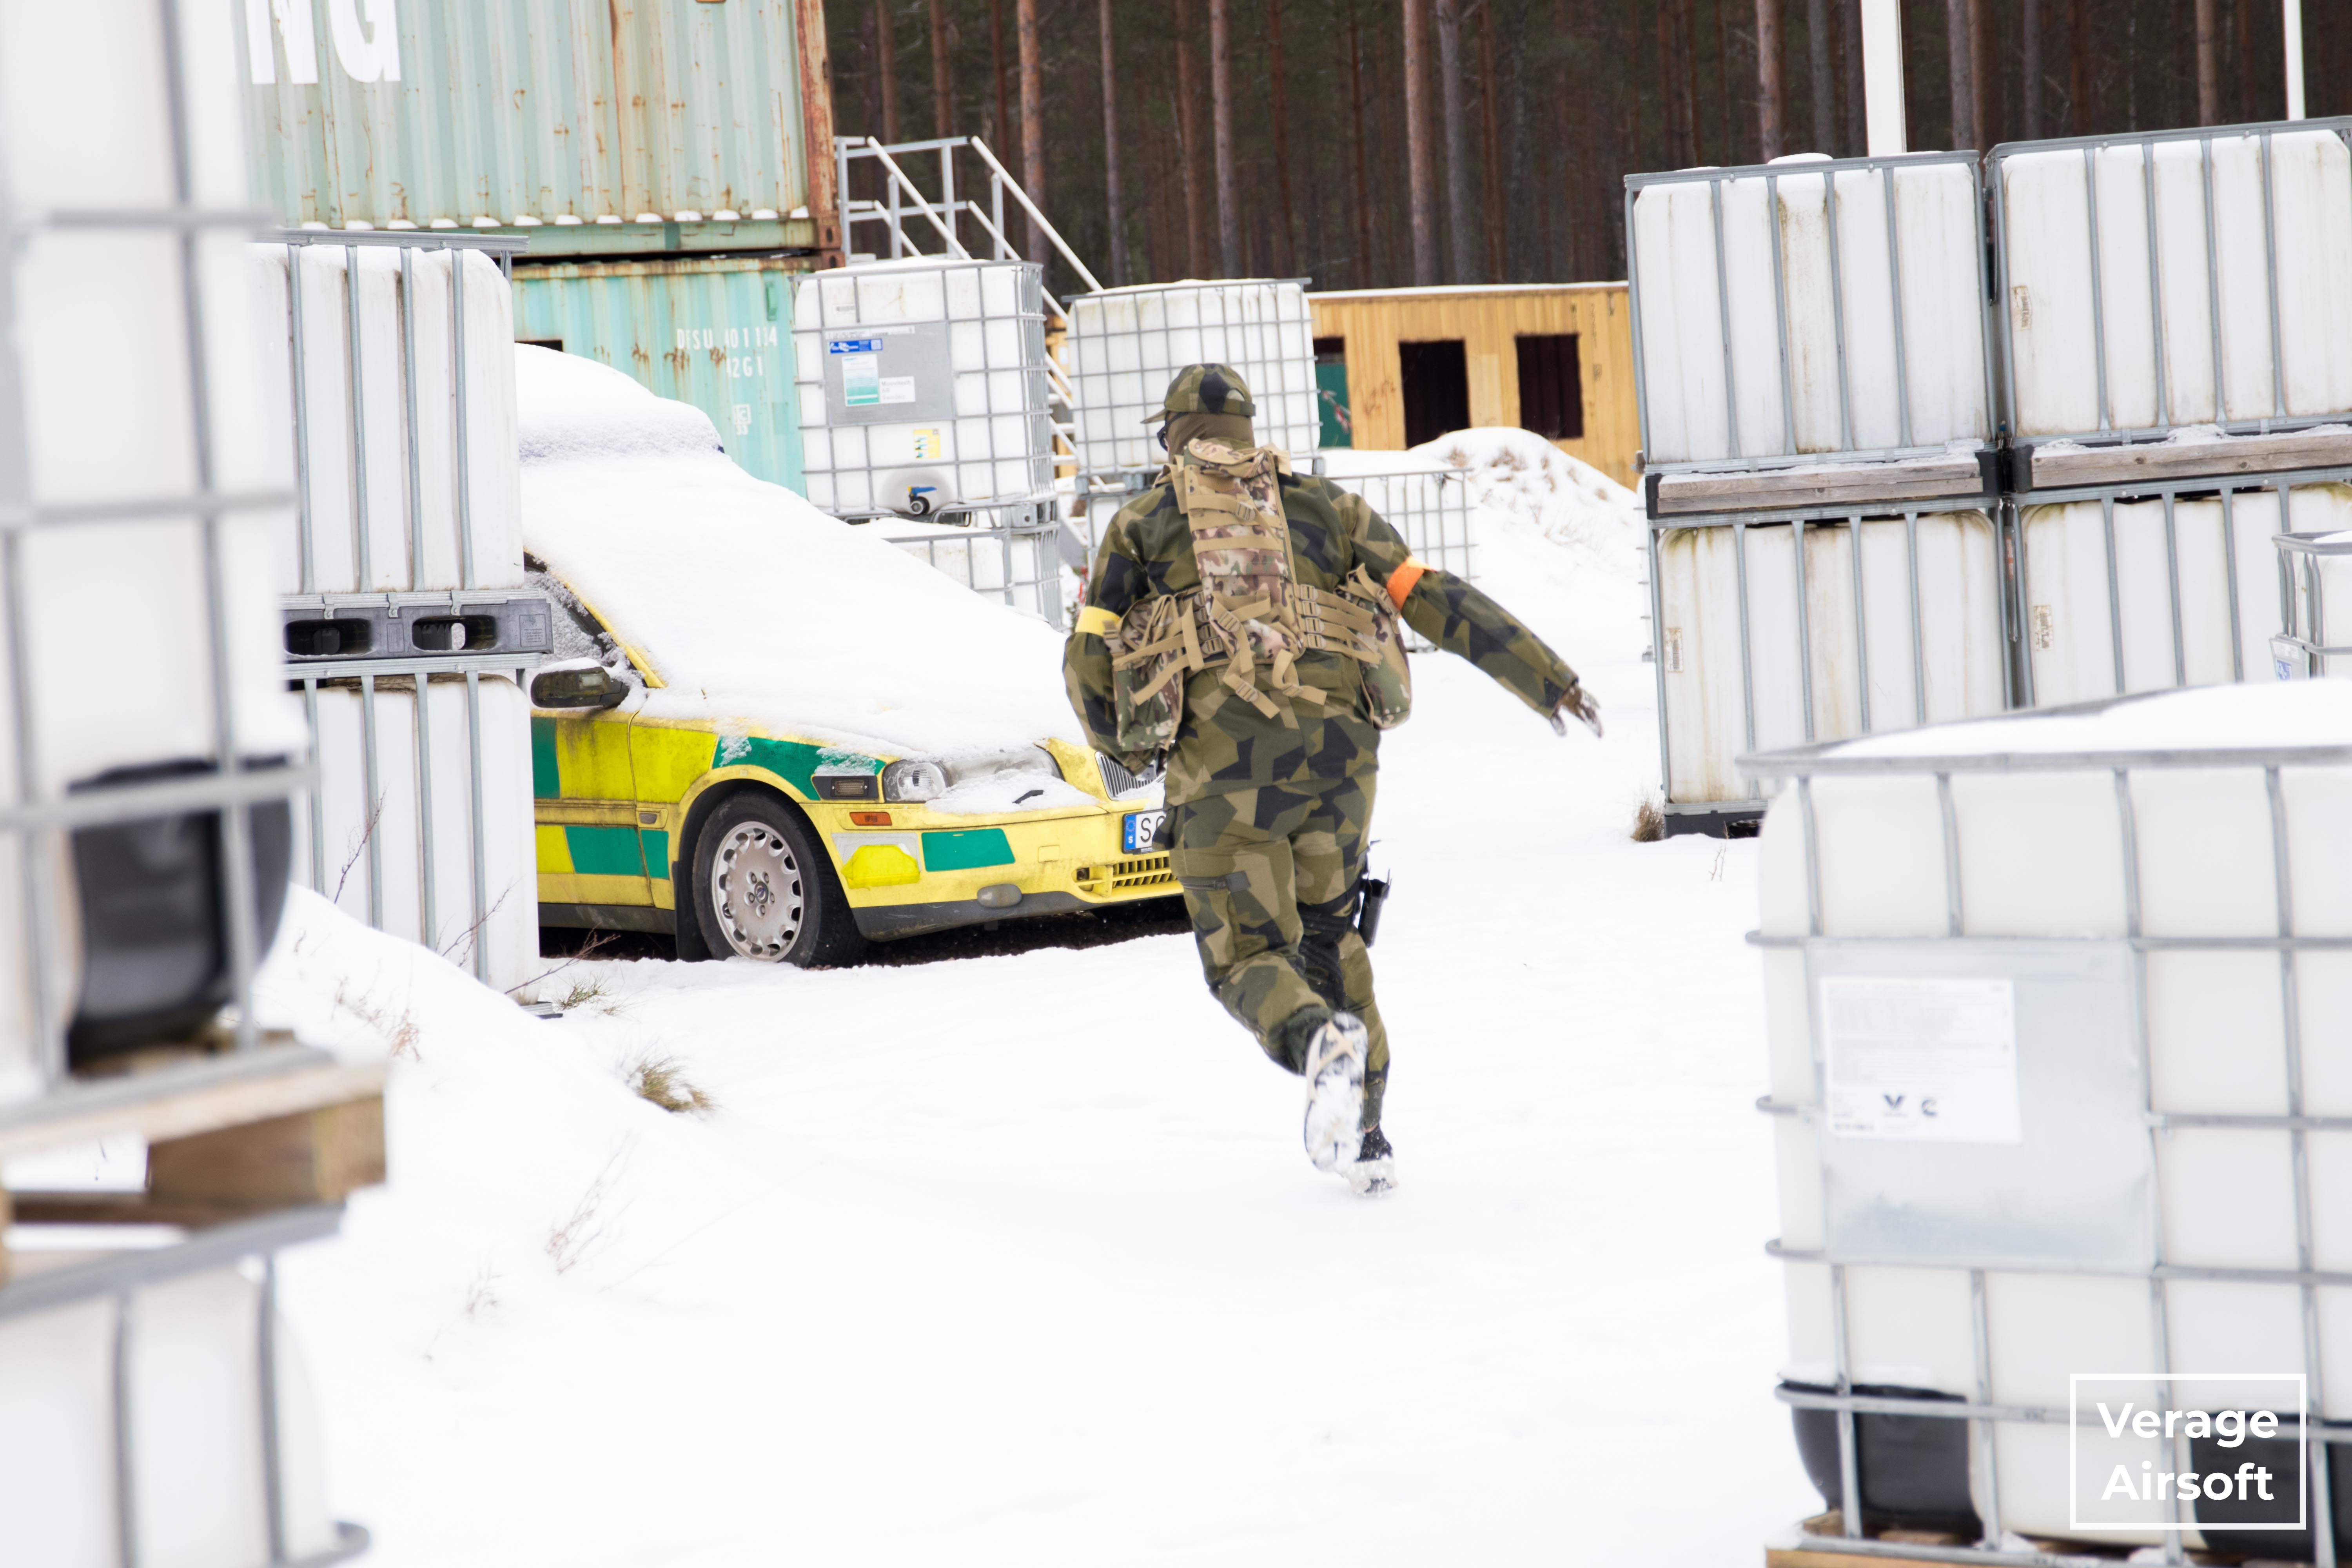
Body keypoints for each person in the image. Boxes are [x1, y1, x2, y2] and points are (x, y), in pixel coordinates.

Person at [1062, 365, 1601, 1196]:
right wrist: (1546, 677)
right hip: (1342, 766)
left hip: (1225, 778)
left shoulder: (1142, 523)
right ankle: (1369, 1138)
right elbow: (1431, 596)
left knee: (1247, 956)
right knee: (1330, 934)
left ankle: (1318, 1041)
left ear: (1174, 436)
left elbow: (1091, 652)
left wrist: (1122, 750)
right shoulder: (1327, 505)